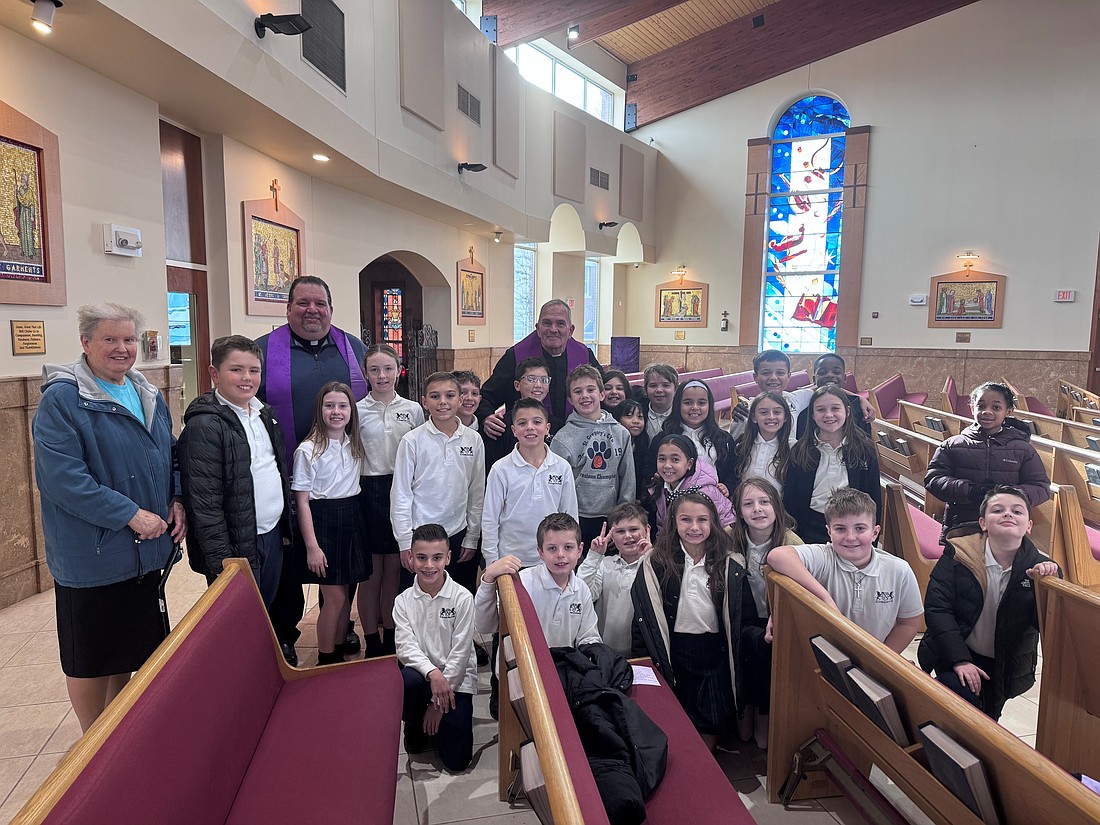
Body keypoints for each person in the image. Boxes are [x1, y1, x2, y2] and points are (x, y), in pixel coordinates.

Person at [33, 302, 187, 732]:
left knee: (129, 651)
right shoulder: (63, 400)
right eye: (110, 339)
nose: (122, 348)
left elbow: (170, 453)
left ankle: (119, 733)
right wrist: (130, 514)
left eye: (128, 339)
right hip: (95, 555)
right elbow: (64, 481)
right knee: (91, 658)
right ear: (85, 342)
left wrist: (176, 498)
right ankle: (92, 740)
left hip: (144, 554)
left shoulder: (146, 392)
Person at [256, 275, 368, 664]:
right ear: (288, 308)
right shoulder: (264, 350)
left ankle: (340, 625)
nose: (312, 310)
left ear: (331, 309)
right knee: (290, 557)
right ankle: (285, 632)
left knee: (340, 568)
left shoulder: (352, 348)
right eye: (303, 303)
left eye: (319, 303)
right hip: (286, 471)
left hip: (342, 475)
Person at [917, 486, 1058, 721]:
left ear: (1029, 526)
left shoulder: (1038, 569)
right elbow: (938, 609)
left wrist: (1047, 585)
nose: (1008, 514)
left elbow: (1047, 623)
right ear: (983, 523)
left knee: (988, 720)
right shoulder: (958, 555)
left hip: (1002, 665)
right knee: (953, 703)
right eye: (998, 510)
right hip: (958, 651)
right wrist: (960, 660)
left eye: (1017, 511)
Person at [178, 335, 290, 605]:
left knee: (265, 609)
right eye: (236, 369)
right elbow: (204, 504)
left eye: (254, 370)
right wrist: (223, 562)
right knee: (241, 617)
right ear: (215, 374)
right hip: (235, 546)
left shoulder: (265, 415)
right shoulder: (205, 426)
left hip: (271, 534)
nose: (247, 378)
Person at [631, 493, 746, 749]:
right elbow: (643, 620)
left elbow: (739, 617)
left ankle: (706, 758)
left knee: (711, 719)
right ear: (673, 521)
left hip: (713, 652)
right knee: (678, 715)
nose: (694, 527)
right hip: (675, 652)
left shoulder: (729, 563)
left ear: (713, 522)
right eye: (686, 519)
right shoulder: (655, 562)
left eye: (702, 520)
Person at [768, 488, 923, 653]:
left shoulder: (899, 570)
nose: (850, 537)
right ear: (829, 531)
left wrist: (883, 657)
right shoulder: (823, 557)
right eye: (840, 529)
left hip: (875, 655)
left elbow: (908, 622)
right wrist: (825, 598)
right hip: (823, 654)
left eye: (860, 528)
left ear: (875, 532)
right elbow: (777, 556)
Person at [292, 382, 371, 666]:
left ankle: (337, 653)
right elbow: (302, 502)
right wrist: (312, 547)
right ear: (319, 410)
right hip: (323, 523)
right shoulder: (308, 450)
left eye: (342, 406)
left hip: (351, 518)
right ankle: (325, 660)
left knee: (346, 596)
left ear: (351, 411)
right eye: (329, 406)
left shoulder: (353, 444)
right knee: (334, 599)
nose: (336, 412)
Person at [391, 372, 486, 598]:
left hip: (457, 533)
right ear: (425, 402)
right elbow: (401, 494)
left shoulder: (473, 440)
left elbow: (476, 492)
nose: (443, 402)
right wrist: (404, 541)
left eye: (449, 395)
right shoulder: (412, 441)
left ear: (460, 399)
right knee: (417, 600)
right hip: (419, 535)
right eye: (435, 396)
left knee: (458, 599)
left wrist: (472, 536)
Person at [357, 344, 424, 658]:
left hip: (402, 491)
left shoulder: (413, 409)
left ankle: (391, 637)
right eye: (374, 370)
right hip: (368, 491)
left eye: (388, 369)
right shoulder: (357, 409)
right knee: (371, 574)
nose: (382, 376)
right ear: (365, 373)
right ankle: (371, 639)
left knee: (395, 572)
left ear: (399, 371)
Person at [393, 523, 477, 771]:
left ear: (448, 558)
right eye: (422, 557)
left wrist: (437, 705)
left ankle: (437, 718)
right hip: (423, 677)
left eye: (437, 557)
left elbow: (461, 653)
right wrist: (433, 673)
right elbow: (405, 648)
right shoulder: (402, 601)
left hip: (456, 681)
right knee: (405, 680)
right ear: (411, 558)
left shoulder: (463, 598)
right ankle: (414, 722)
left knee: (457, 762)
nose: (429, 565)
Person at [925, 381, 1051, 540]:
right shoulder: (952, 445)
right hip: (961, 526)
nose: (987, 412)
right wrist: (969, 490)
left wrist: (1010, 495)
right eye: (981, 406)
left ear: (1008, 411)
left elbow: (1040, 487)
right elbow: (934, 479)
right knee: (961, 557)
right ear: (972, 408)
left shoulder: (1023, 449)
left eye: (996, 407)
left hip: (1006, 527)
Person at [728, 478, 801, 749]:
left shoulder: (792, 543)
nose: (757, 509)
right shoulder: (729, 537)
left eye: (764, 502)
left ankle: (765, 715)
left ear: (777, 507)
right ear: (739, 511)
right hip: (741, 619)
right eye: (748, 504)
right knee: (744, 734)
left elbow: (801, 591)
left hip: (775, 620)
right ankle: (744, 711)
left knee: (762, 738)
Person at [477, 299, 602, 437]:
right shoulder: (515, 356)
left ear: (570, 330)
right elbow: (488, 396)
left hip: (579, 437)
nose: (553, 329)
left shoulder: (584, 356)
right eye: (547, 323)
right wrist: (486, 417)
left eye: (560, 323)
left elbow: (603, 393)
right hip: (524, 438)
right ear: (538, 328)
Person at [475, 513, 601, 648]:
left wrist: (594, 651)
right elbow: (485, 626)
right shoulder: (522, 583)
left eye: (568, 547)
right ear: (541, 553)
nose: (560, 555)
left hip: (563, 660)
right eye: (552, 548)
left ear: (579, 550)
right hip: (521, 661)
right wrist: (488, 579)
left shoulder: (582, 589)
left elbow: (588, 636)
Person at [481, 397, 579, 569]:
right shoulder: (500, 469)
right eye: (522, 423)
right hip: (510, 559)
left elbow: (570, 515)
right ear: (513, 430)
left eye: (537, 422)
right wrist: (492, 561)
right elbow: (490, 519)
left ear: (547, 428)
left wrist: (569, 554)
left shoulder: (562, 467)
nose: (530, 427)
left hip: (551, 559)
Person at [550, 365, 636, 549]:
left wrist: (623, 520)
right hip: (575, 517)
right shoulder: (562, 438)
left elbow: (627, 478)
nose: (585, 396)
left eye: (591, 390)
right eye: (577, 391)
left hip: (610, 516)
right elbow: (556, 486)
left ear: (602, 394)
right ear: (570, 399)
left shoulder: (621, 433)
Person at [784, 385, 881, 543]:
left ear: (847, 412)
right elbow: (791, 498)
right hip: (810, 526)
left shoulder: (864, 448)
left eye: (835, 408)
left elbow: (874, 494)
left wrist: (871, 541)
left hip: (851, 526)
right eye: (821, 410)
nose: (829, 415)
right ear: (812, 415)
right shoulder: (800, 450)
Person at [577, 503, 651, 656]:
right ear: (611, 535)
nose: (628, 536)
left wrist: (648, 558)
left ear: (647, 530)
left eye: (633, 529)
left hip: (644, 653)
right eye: (620, 531)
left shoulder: (657, 565)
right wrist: (594, 556)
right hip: (606, 652)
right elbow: (583, 593)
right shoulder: (604, 564)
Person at [645, 380, 735, 486]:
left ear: (709, 406)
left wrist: (727, 486)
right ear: (678, 405)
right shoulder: (663, 438)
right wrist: (657, 478)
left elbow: (733, 470)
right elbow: (648, 467)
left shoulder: (723, 439)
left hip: (713, 494)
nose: (695, 407)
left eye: (701, 403)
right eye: (688, 403)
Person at [482, 357, 564, 471]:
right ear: (517, 385)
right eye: (531, 379)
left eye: (544, 380)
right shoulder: (501, 426)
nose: (538, 385)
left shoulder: (557, 425)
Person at [650, 434, 735, 534]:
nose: (667, 465)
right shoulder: (661, 489)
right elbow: (662, 528)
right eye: (662, 459)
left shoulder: (706, 492)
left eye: (675, 460)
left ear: (689, 463)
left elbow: (726, 528)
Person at [727, 391, 793, 495]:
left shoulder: (793, 448)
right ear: (754, 417)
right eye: (763, 412)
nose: (771, 417)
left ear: (785, 417)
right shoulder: (742, 444)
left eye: (777, 412)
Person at [794, 353, 874, 439]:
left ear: (845, 378)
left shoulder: (858, 406)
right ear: (814, 380)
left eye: (837, 372)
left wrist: (860, 398)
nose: (830, 375)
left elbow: (865, 440)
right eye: (822, 372)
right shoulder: (804, 407)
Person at [613, 399, 650, 503]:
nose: (636, 421)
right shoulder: (612, 445)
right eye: (629, 416)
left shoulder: (643, 444)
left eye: (640, 417)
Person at [640, 364, 678, 440]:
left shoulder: (682, 415)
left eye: (665, 385)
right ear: (646, 389)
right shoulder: (639, 413)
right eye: (653, 386)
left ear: (675, 388)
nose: (659, 390)